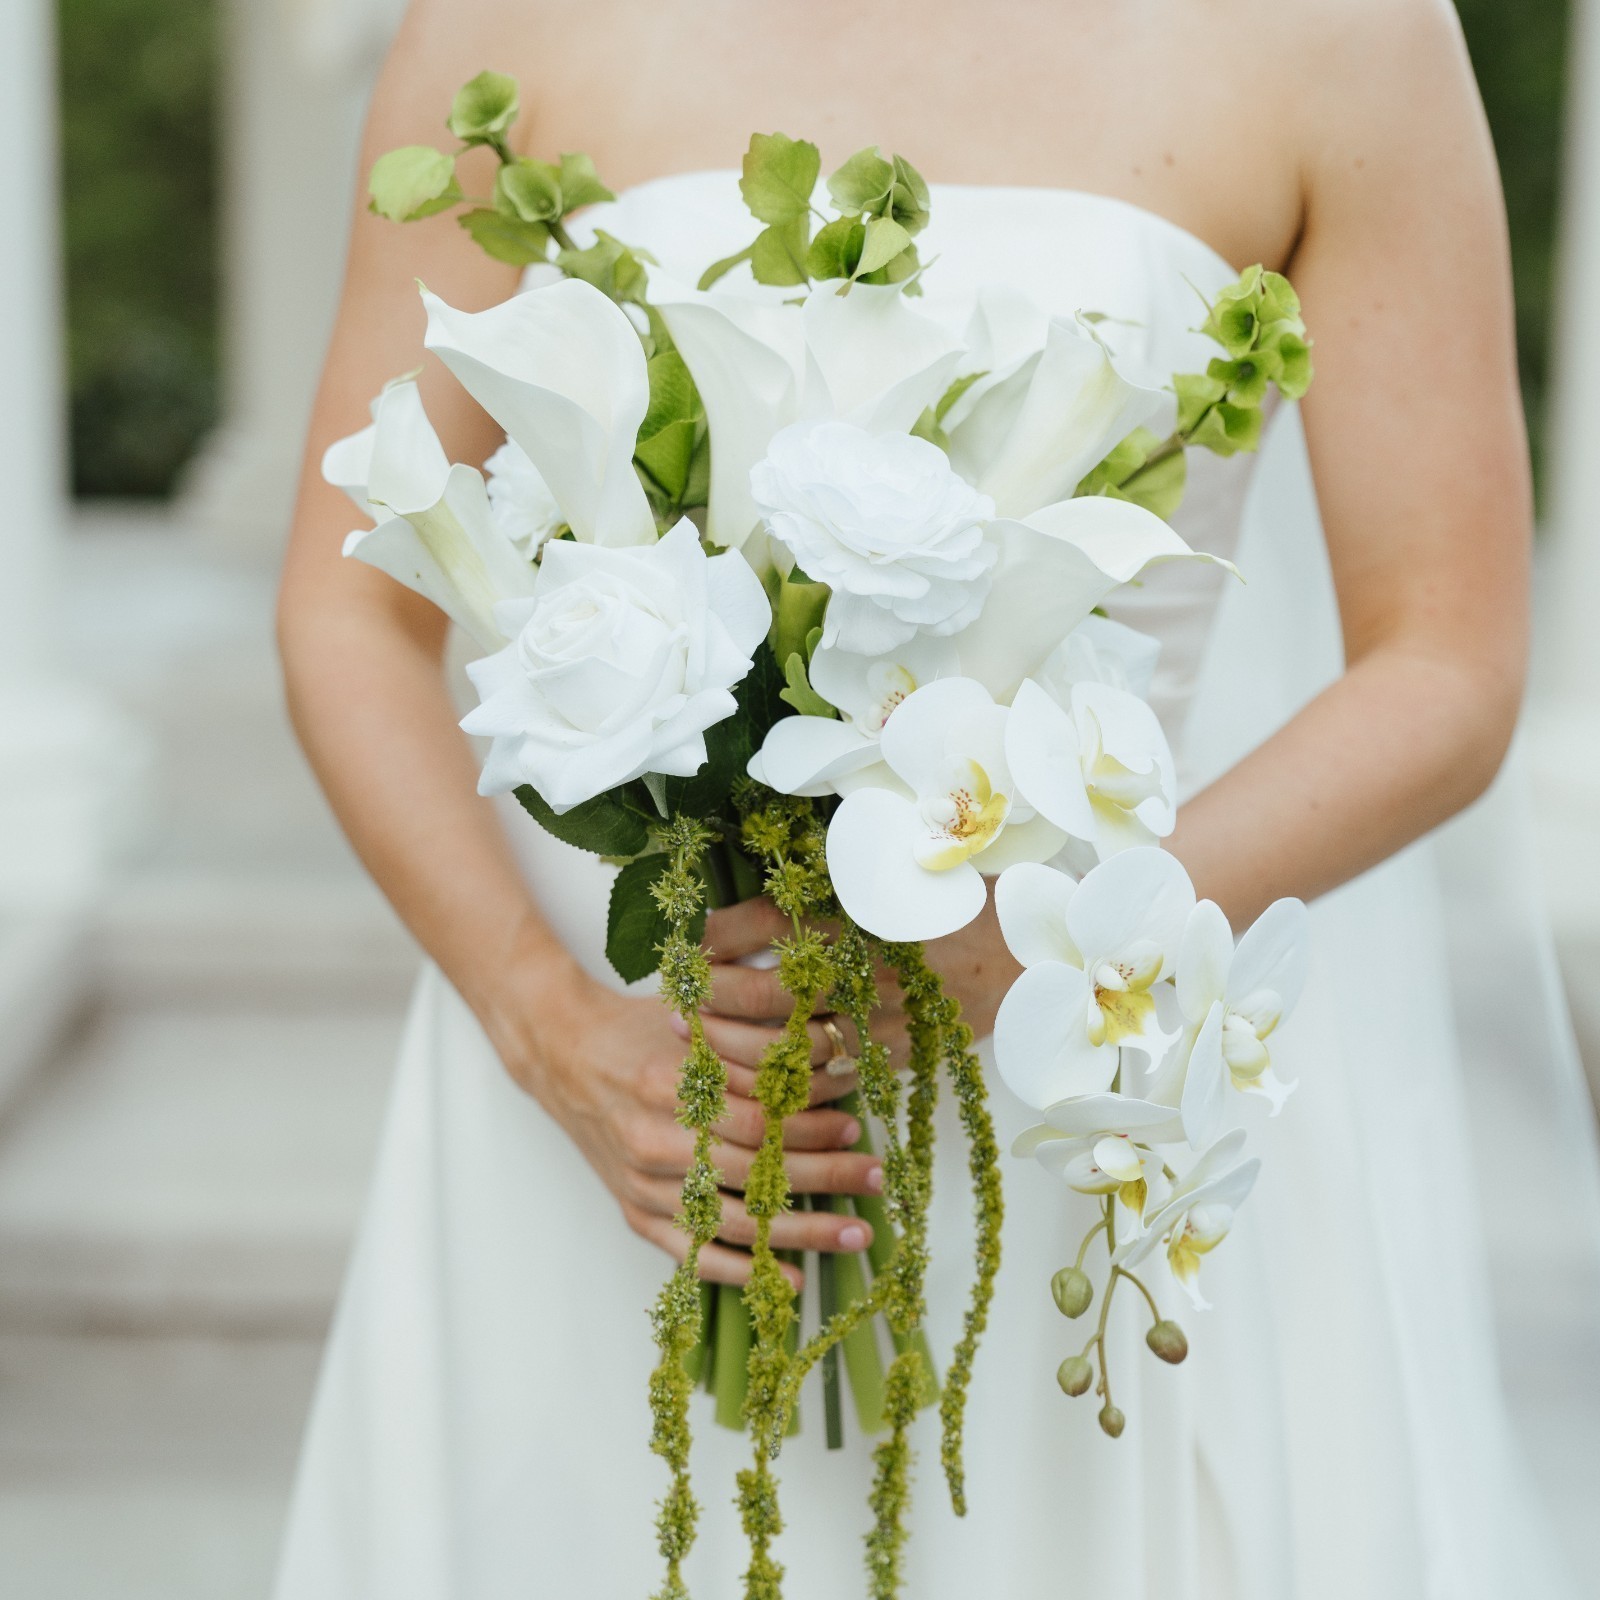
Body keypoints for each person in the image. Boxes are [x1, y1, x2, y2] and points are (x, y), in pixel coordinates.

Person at [270, 2, 1589, 1595]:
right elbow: (354, 605)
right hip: (632, 1093)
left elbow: (1447, 662)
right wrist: (551, 1029)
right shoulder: (506, 25)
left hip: (1065, 1083)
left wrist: (1037, 949)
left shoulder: (1341, 35)